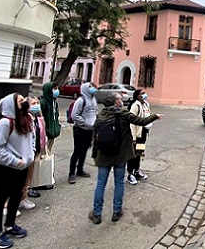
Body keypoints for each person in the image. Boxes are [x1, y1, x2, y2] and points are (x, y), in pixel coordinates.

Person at [88, 92, 162, 224]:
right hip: (120, 155)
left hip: (103, 155)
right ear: (116, 102)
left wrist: (95, 155)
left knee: (100, 184)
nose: (122, 101)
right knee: (119, 183)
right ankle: (117, 211)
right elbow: (141, 121)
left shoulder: (100, 115)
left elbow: (95, 138)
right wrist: (155, 117)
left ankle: (97, 214)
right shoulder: (123, 114)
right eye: (120, 99)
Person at [0, 93, 34, 249]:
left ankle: (10, 226)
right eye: (20, 101)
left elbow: (30, 141)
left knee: (16, 196)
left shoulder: (26, 119)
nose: (25, 103)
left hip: (20, 169)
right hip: (4, 169)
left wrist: (30, 156)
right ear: (11, 105)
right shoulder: (5, 123)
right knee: (0, 200)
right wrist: (17, 161)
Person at [18, 96, 47, 211]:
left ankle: (23, 199)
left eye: (37, 103)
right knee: (19, 178)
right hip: (24, 154)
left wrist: (41, 149)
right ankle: (12, 202)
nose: (36, 105)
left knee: (28, 177)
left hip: (34, 152)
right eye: (33, 103)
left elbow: (41, 135)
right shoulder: (25, 118)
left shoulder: (38, 118)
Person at [68, 82, 98, 184]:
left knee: (85, 150)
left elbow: (95, 112)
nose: (93, 88)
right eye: (90, 87)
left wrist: (95, 123)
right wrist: (85, 123)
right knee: (77, 151)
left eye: (93, 87)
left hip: (90, 130)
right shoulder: (81, 100)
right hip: (80, 129)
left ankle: (80, 169)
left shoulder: (93, 100)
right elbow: (74, 115)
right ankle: (72, 173)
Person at [127, 89, 152, 185]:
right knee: (133, 154)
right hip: (136, 135)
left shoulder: (146, 104)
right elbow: (131, 123)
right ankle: (130, 174)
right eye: (143, 93)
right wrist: (133, 137)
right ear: (138, 96)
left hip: (143, 134)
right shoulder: (135, 105)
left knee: (139, 153)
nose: (145, 94)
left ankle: (137, 170)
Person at [39, 82, 61, 153]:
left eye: (57, 88)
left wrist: (57, 128)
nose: (57, 91)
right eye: (54, 89)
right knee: (42, 154)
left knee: (48, 152)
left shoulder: (54, 103)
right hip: (45, 134)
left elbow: (56, 117)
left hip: (52, 134)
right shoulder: (43, 102)